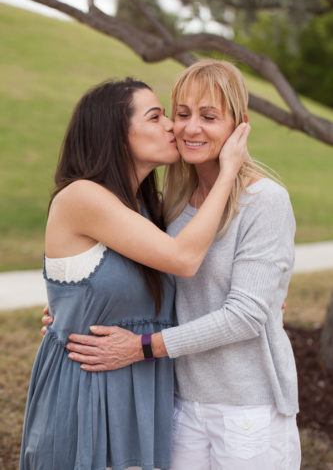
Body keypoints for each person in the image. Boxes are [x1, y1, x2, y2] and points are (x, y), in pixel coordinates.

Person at [59, 61, 301, 470]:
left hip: (247, 409)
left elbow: (244, 317)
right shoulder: (172, 206)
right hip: (180, 402)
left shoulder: (265, 201)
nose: (190, 128)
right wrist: (71, 312)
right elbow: (140, 282)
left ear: (238, 126)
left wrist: (143, 348)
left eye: (209, 117)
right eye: (182, 113)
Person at [21, 76, 248, 470]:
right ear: (116, 134)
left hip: (141, 386)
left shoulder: (146, 207)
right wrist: (228, 171)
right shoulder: (83, 196)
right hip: (89, 387)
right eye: (155, 116)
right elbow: (184, 258)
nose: (171, 126)